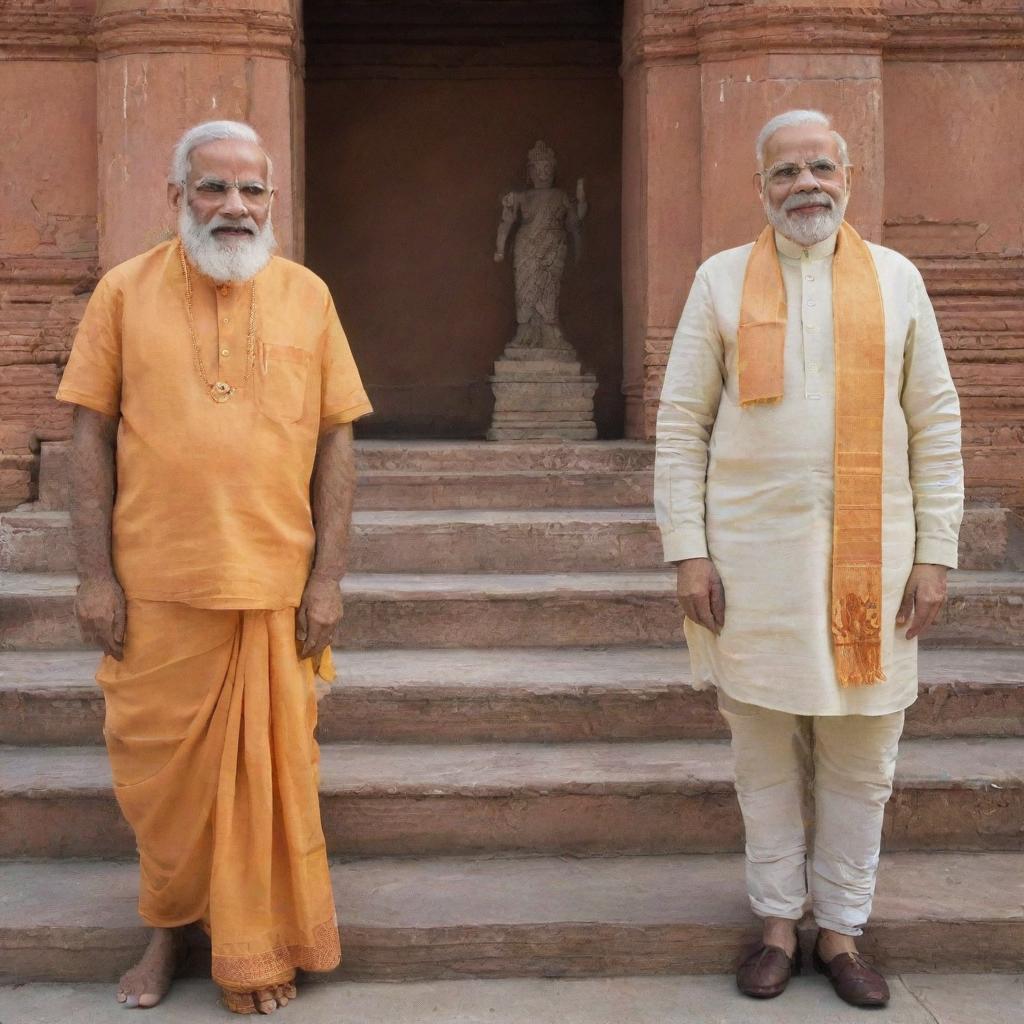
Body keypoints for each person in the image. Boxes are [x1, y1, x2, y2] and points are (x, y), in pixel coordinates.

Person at [57, 120, 372, 1014]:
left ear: (272, 200)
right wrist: (93, 576)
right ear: (176, 198)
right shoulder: (122, 293)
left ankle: (259, 941)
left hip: (274, 586)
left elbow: (336, 439)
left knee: (274, 780)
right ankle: (166, 931)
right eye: (212, 188)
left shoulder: (308, 296)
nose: (234, 207)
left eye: (251, 191)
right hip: (157, 583)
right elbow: (90, 433)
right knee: (160, 789)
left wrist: (328, 578)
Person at [654, 109, 962, 1007]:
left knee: (864, 759)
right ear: (760, 189)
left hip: (882, 563)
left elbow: (935, 422)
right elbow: (681, 425)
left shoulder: (899, 282)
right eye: (785, 172)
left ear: (849, 179)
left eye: (820, 168)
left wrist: (936, 552)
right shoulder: (718, 282)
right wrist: (687, 552)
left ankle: (842, 930)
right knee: (762, 752)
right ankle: (778, 924)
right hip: (753, 570)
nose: (805, 186)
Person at [494, 140, 587, 352]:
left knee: (549, 288)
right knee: (525, 288)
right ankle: (524, 331)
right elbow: (506, 222)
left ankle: (550, 331)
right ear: (531, 171)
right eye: (539, 168)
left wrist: (581, 201)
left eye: (548, 168)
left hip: (553, 247)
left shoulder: (560, 196)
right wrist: (500, 249)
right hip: (527, 246)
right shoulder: (522, 197)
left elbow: (574, 222)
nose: (544, 172)